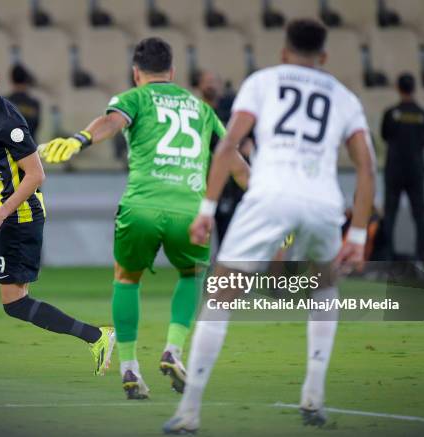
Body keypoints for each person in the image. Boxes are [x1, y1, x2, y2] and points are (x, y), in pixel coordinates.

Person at [164, 19, 375, 433]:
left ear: (283, 52)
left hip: (270, 194)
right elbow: (366, 167)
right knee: (325, 285)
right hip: (322, 202)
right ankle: (313, 396)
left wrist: (206, 209)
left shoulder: (263, 81)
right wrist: (358, 234)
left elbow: (228, 146)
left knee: (220, 293)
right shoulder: (345, 96)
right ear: (325, 57)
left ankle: (189, 411)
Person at [40, 38, 250, 399]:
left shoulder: (133, 98)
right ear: (172, 72)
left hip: (141, 207)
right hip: (190, 209)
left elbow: (111, 122)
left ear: (137, 73)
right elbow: (237, 165)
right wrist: (266, 209)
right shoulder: (201, 108)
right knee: (193, 273)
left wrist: (79, 140)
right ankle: (173, 350)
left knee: (126, 279)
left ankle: (129, 368)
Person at [0, 57, 114, 377]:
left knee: (15, 304)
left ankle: (97, 336)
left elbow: (36, 175)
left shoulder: (7, 122)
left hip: (18, 217)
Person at [196, 70, 253, 245]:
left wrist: (248, 143)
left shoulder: (232, 114)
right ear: (199, 86)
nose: (210, 84)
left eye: (214, 80)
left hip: (231, 185)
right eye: (207, 81)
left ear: (221, 86)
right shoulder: (195, 114)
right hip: (200, 183)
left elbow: (246, 140)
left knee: (228, 235)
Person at [381, 73, 424, 262]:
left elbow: (385, 136)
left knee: (390, 213)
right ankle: (421, 254)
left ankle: (387, 254)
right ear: (414, 88)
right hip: (416, 170)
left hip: (394, 169)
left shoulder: (391, 113)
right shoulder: (422, 114)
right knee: (419, 214)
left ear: (398, 88)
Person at [8, 64, 41, 141]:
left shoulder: (5, 103)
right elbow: (35, 126)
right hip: (31, 148)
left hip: (11, 149)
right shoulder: (34, 104)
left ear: (12, 79)